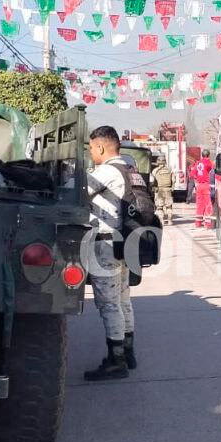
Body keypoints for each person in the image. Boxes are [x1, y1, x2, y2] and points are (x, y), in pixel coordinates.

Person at [84, 126, 137, 381]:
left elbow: (79, 194)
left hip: (105, 245)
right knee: (123, 298)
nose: (91, 152)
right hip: (125, 243)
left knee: (109, 304)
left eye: (91, 148)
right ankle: (128, 352)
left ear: (101, 147)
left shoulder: (105, 171)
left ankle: (116, 361)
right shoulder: (130, 169)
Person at [192, 149, 216, 229]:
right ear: (208, 155)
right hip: (206, 185)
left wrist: (197, 179)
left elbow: (192, 174)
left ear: (202, 155)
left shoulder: (198, 163)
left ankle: (198, 223)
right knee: (208, 204)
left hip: (199, 186)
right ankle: (208, 223)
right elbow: (214, 168)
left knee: (199, 204)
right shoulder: (208, 162)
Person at [151, 155, 174, 225]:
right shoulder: (169, 170)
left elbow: (152, 181)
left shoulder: (155, 171)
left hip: (159, 190)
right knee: (169, 206)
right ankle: (169, 221)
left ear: (158, 161)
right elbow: (173, 180)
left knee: (159, 207)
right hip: (168, 190)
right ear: (165, 162)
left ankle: (162, 221)